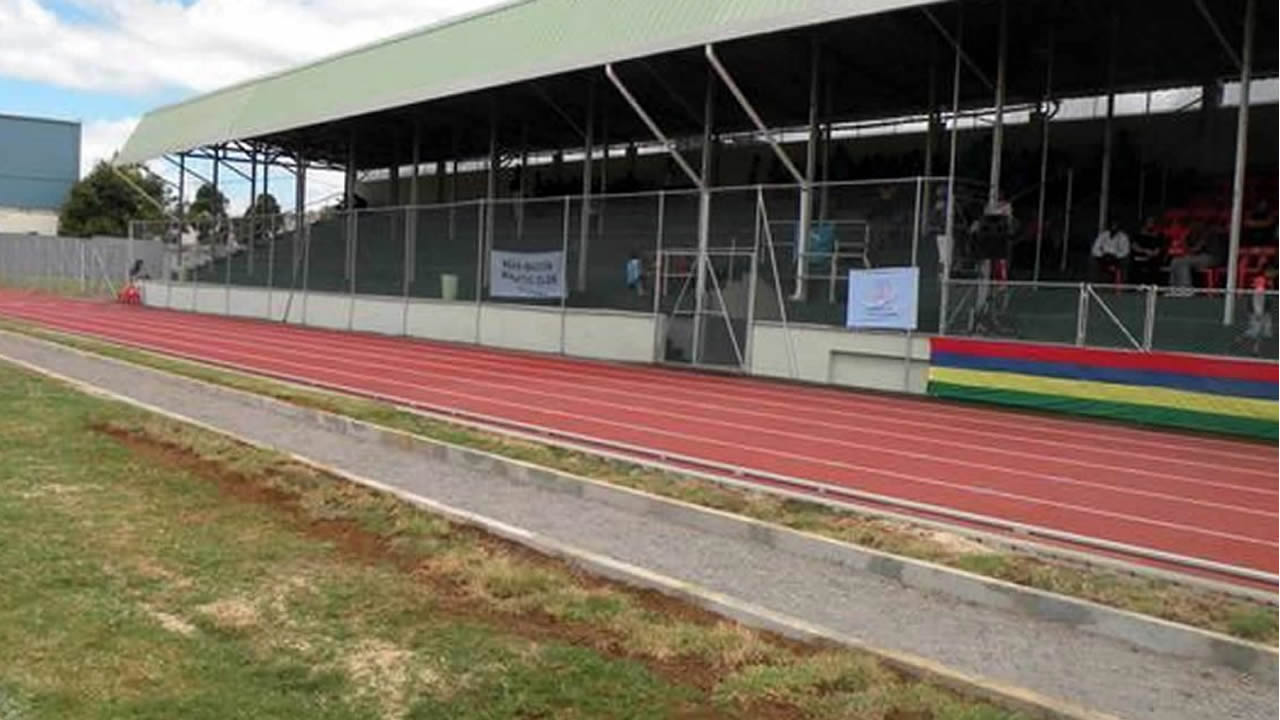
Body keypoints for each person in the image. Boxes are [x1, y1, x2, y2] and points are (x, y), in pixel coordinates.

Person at [1169, 222, 1225, 292]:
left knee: (1182, 262)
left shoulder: (1207, 233)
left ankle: (1186, 288)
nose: (1191, 228)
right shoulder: (1198, 234)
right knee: (1175, 261)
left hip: (1213, 258)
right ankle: (1174, 288)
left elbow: (1195, 250)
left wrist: (1183, 239)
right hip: (1203, 256)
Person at [1129, 217, 1165, 285]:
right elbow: (1134, 246)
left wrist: (1153, 253)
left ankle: (1152, 286)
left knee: (1154, 266)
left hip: (1153, 259)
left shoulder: (1159, 235)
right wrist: (1145, 251)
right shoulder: (1137, 234)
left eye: (1152, 222)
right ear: (1145, 223)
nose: (1151, 224)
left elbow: (1158, 249)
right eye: (1149, 222)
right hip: (1139, 258)